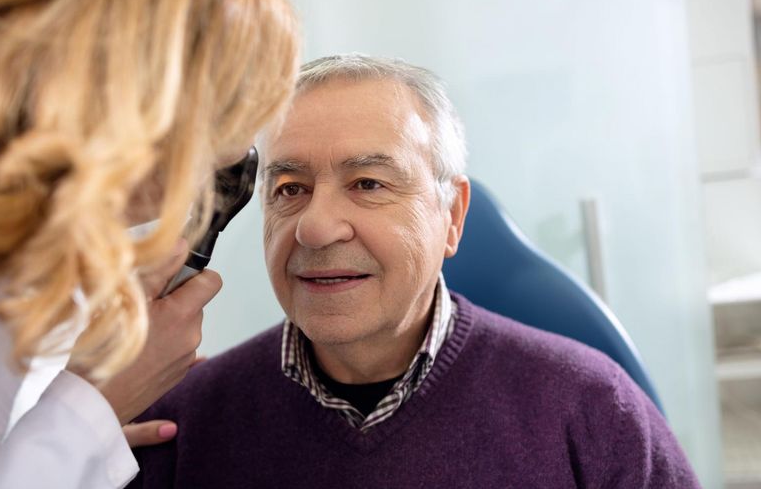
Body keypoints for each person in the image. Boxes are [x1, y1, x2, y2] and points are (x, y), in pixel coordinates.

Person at [130, 54, 702, 488]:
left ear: (452, 216)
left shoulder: (593, 411)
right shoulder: (175, 425)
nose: (315, 228)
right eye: (290, 189)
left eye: (368, 184)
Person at [0, 0, 298, 487]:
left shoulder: (47, 262)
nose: (230, 159)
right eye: (224, 118)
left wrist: (72, 436)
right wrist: (86, 411)